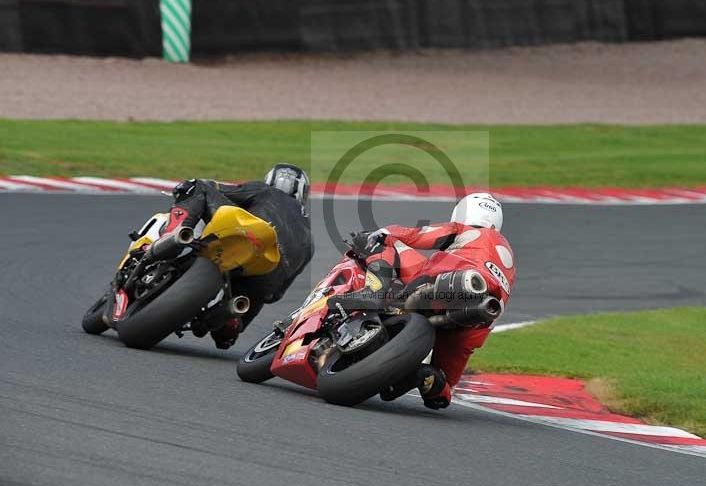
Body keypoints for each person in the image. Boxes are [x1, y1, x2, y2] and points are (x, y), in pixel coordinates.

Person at [348, 192, 515, 410]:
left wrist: (386, 233)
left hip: (451, 280)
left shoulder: (468, 230)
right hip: (477, 321)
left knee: (387, 246)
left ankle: (373, 292)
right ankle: (422, 377)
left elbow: (423, 234)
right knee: (443, 391)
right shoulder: (507, 256)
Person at [164, 164, 314, 349]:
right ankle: (230, 319)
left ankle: (172, 234)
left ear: (271, 180)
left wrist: (186, 189)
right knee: (228, 335)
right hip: (267, 275)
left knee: (197, 186)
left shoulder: (264, 190)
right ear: (303, 194)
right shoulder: (309, 238)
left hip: (245, 237)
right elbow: (275, 295)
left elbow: (216, 188)